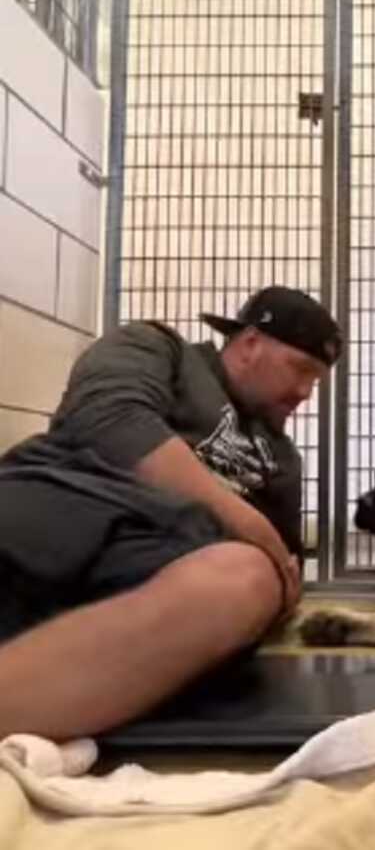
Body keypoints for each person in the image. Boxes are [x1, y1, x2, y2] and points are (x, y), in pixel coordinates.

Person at [0, 286, 341, 741]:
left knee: (248, 582)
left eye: (315, 381)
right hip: (60, 503)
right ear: (250, 342)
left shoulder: (281, 457)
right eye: (300, 370)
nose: (304, 392)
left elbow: (283, 568)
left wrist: (269, 571)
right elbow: (108, 420)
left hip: (164, 564)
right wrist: (243, 518)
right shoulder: (156, 347)